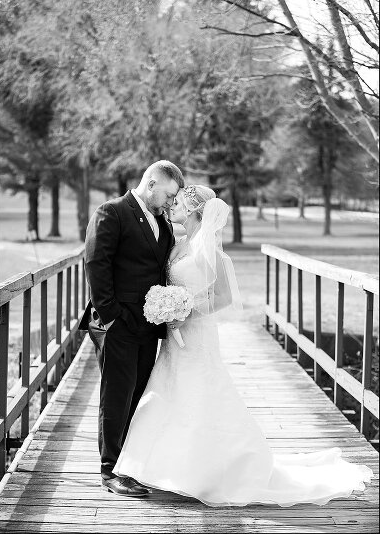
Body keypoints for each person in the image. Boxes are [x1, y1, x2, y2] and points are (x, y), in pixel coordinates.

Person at [113, 184, 373, 505]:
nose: (172, 207)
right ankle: (160, 466)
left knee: (200, 391)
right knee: (168, 390)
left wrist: (183, 309)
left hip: (196, 333)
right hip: (173, 337)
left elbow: (222, 297)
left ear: (195, 211)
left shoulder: (211, 251)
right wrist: (165, 306)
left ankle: (211, 470)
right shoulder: (178, 243)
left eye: (178, 203)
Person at [81, 160, 184, 497]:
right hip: (116, 324)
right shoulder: (112, 212)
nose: (171, 202)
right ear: (151, 183)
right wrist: (112, 317)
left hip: (148, 324)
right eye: (169, 195)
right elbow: (97, 264)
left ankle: (129, 464)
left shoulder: (161, 219)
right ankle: (109, 470)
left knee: (137, 394)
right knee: (116, 394)